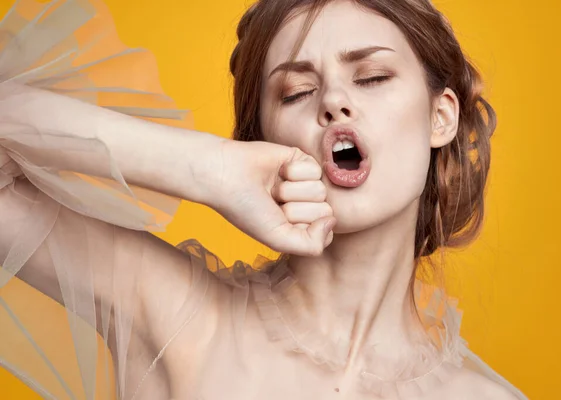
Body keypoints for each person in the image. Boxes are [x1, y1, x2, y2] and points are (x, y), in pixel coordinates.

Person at [0, 0, 527, 398]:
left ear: (442, 117)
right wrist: (208, 166)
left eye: (371, 77)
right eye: (296, 92)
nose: (335, 102)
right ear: (266, 143)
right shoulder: (173, 316)